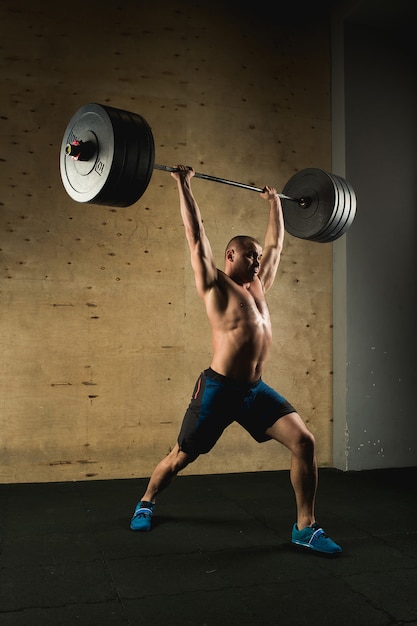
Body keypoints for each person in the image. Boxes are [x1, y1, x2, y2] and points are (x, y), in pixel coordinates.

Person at [130, 165, 342, 554]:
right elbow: (196, 236)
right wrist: (183, 184)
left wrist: (275, 203)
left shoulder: (259, 285)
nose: (259, 262)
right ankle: (147, 501)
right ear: (231, 255)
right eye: (251, 256)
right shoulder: (215, 287)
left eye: (258, 257)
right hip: (218, 389)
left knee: (305, 442)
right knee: (180, 457)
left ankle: (305, 527)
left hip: (254, 392)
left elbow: (277, 246)